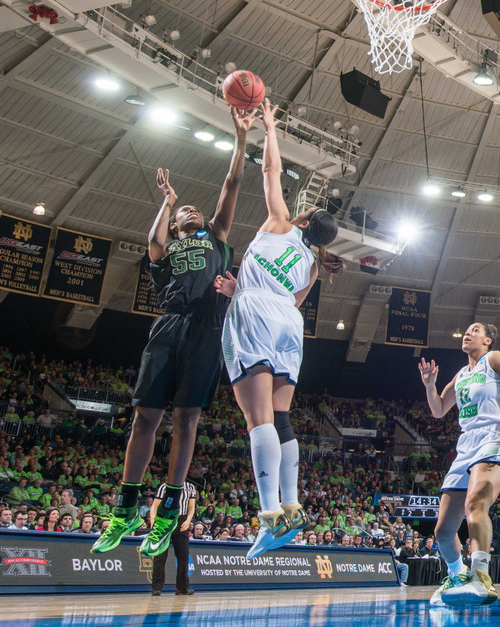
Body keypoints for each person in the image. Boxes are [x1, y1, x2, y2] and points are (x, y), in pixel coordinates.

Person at [92, 106, 249, 558]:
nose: (191, 210)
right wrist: (166, 201)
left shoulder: (216, 237)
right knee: (144, 417)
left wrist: (240, 141)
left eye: (192, 208)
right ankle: (124, 509)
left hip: (205, 327)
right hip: (167, 326)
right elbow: (154, 243)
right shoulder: (168, 248)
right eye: (184, 211)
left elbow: (231, 185)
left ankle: (165, 513)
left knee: (186, 419)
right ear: (177, 224)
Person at [214, 100, 341, 559]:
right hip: (290, 324)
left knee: (258, 420)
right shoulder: (312, 267)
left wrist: (269, 127)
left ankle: (269, 518)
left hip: (255, 315)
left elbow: (271, 171)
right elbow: (287, 302)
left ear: (304, 220)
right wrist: (241, 289)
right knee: (281, 417)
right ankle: (292, 505)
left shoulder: (280, 224)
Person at [417, 322, 500, 607]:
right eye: (466, 330)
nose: (468, 333)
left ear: (488, 340)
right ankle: (457, 575)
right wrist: (429, 385)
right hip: (467, 444)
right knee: (443, 532)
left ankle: (481, 576)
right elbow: (437, 410)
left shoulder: (495, 359)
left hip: (497, 434)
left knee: (476, 503)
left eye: (475, 330)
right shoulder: (460, 375)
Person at [150, 480, 197, 596]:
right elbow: (155, 506)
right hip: (164, 520)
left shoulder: (190, 487)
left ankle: (183, 588)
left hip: (181, 521)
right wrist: (153, 521)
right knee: (160, 556)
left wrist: (188, 520)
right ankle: (156, 588)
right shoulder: (164, 486)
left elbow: (191, 507)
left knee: (183, 556)